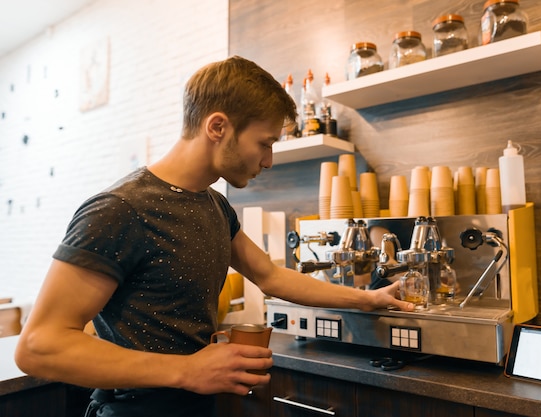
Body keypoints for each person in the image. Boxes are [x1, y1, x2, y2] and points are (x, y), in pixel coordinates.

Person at [14, 56, 415, 417]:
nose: (269, 161)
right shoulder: (120, 210)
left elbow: (272, 277)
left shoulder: (214, 206)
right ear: (218, 127)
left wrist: (368, 299)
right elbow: (38, 346)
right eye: (264, 143)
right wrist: (187, 369)